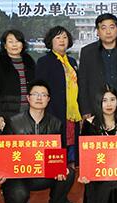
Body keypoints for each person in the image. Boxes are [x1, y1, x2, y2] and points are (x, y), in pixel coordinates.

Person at [0, 80, 76, 203]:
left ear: (48, 99)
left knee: (68, 172)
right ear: (28, 98)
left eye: (44, 95)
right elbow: (4, 153)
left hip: (45, 174)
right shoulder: (13, 122)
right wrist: (2, 172)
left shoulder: (56, 124)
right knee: (18, 195)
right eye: (35, 94)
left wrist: (60, 167)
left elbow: (60, 151)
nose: (39, 98)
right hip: (20, 175)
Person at [78, 13, 117, 127]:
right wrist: (85, 109)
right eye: (103, 28)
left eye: (112, 27)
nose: (108, 32)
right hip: (96, 108)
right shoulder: (87, 52)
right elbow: (83, 83)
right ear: (97, 32)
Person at [35, 25, 83, 165]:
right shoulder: (44, 62)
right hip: (53, 112)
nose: (62, 40)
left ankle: (71, 173)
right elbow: (40, 89)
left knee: (71, 148)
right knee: (56, 152)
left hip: (72, 114)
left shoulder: (71, 62)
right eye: (58, 37)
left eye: (65, 37)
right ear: (51, 41)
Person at [0, 29, 35, 134]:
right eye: (10, 41)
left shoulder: (30, 63)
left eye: (17, 41)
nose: (14, 45)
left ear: (22, 44)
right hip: (7, 118)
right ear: (5, 45)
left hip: (30, 115)